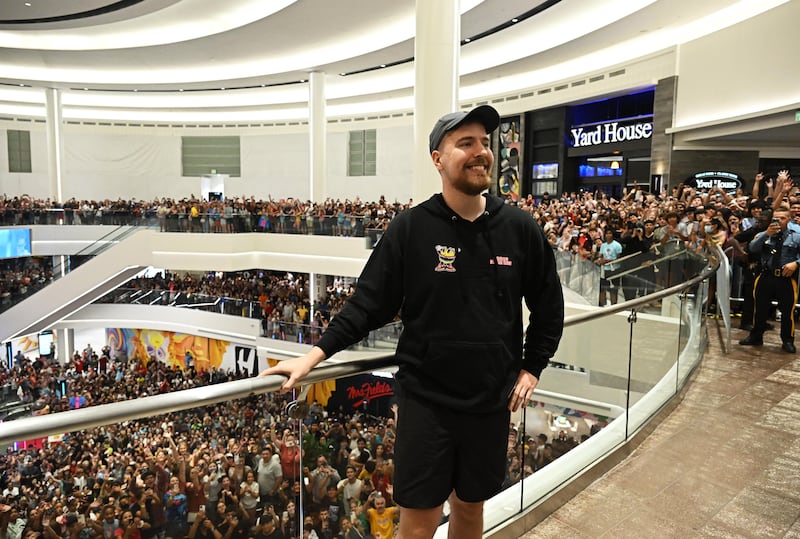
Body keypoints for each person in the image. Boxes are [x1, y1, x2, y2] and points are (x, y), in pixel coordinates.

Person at [260, 104, 564, 539]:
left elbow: (549, 305)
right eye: (465, 144)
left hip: (490, 403)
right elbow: (368, 306)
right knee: (418, 523)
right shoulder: (411, 228)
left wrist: (533, 365)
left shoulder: (519, 228)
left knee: (471, 511)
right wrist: (313, 356)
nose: (481, 152)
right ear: (438, 159)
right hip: (427, 404)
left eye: (485, 143)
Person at [739, 207, 800, 353]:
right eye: (776, 218)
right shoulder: (765, 234)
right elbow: (752, 248)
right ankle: (756, 336)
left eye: (782, 218)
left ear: (789, 219)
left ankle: (787, 340)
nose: (778, 221)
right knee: (759, 309)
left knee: (787, 312)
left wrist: (796, 263)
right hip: (766, 276)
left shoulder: (796, 235)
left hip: (786, 278)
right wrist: (766, 234)